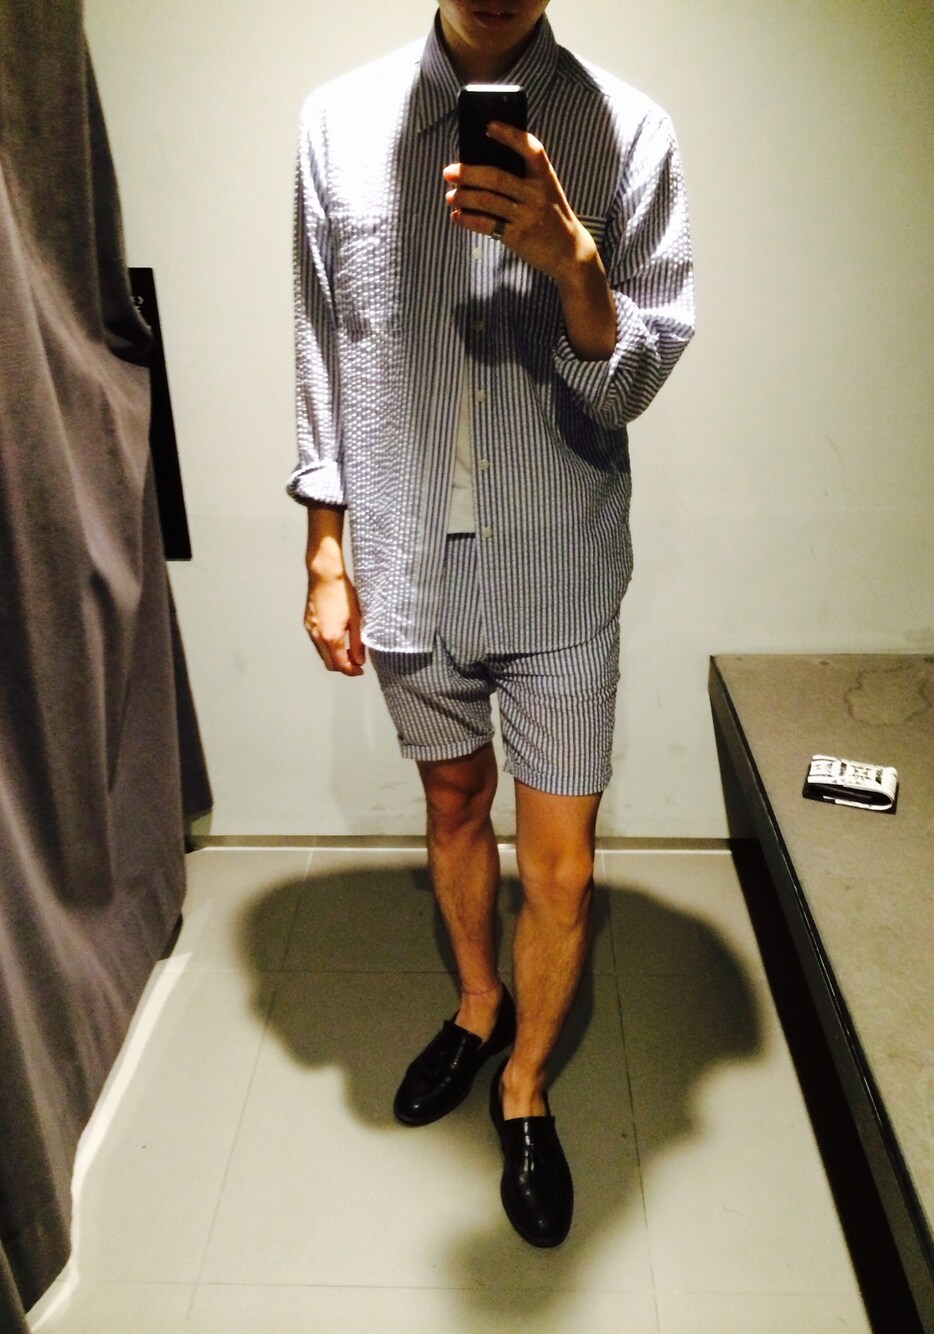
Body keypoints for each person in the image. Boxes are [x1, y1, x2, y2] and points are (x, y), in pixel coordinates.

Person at [289, 0, 694, 1247]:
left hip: (558, 559)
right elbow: (321, 343)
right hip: (404, 555)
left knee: (561, 864)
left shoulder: (628, 130)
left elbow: (633, 379)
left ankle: (524, 1084)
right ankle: (477, 1003)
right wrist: (324, 549)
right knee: (454, 804)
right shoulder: (337, 123)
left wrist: (576, 266)